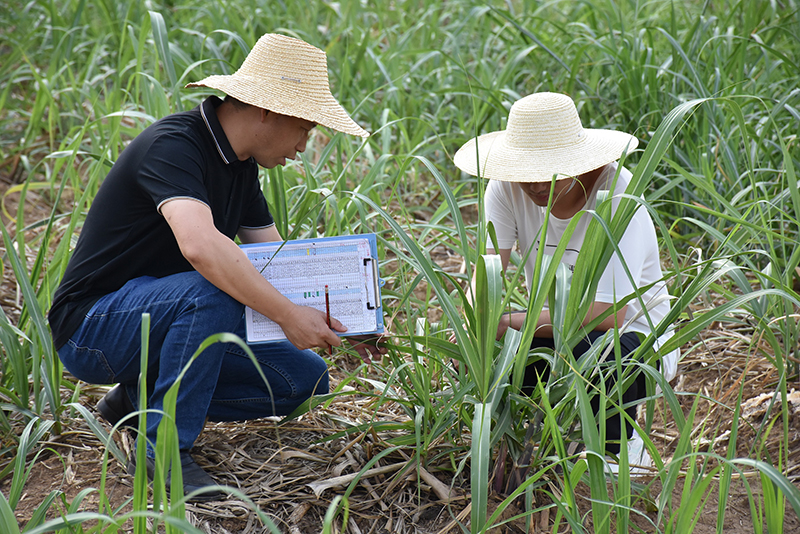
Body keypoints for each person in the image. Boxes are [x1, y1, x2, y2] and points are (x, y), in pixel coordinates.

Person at [48, 33, 385, 501]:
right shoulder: (175, 145)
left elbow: (277, 262)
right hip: (93, 326)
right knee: (213, 289)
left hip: (160, 321)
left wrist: (351, 323)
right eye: (305, 129)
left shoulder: (241, 167)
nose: (305, 146)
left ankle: (137, 401)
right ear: (268, 110)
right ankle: (162, 451)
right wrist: (287, 316)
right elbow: (201, 247)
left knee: (305, 380)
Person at [453, 92, 678, 466]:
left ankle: (618, 447)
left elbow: (609, 315)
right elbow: (487, 274)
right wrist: (473, 327)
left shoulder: (617, 194)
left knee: (605, 354)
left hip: (630, 339)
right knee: (489, 353)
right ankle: (542, 428)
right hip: (552, 330)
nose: (537, 186)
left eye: (549, 173)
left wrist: (504, 323)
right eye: (527, 174)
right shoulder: (506, 188)